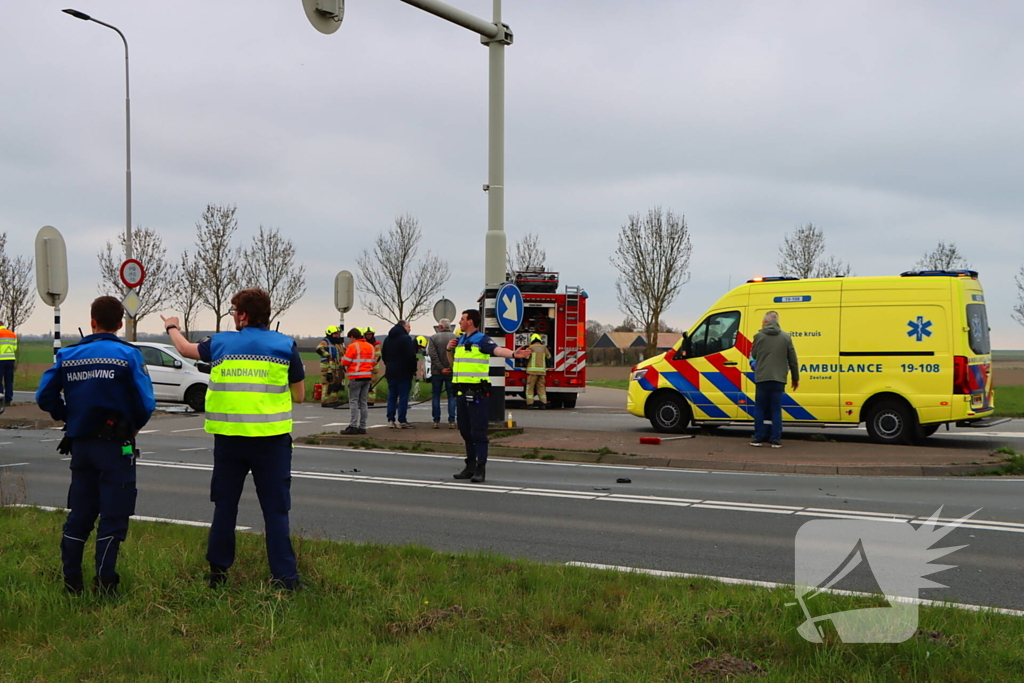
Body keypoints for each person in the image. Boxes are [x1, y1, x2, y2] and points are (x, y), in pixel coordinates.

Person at [161, 288, 305, 590]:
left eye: (233, 311)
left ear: (243, 315)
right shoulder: (285, 345)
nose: (233, 316)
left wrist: (172, 326)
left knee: (225, 507)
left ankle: (218, 575)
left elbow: (185, 350)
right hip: (272, 442)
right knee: (276, 511)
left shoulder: (220, 343)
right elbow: (300, 395)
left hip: (229, 441)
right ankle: (285, 579)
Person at [36, 296, 156, 595]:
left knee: (80, 515)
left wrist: (69, 416)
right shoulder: (128, 355)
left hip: (80, 445)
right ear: (120, 324)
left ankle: (71, 582)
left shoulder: (68, 355)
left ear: (92, 321)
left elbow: (44, 396)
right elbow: (146, 402)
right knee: (113, 515)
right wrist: (134, 426)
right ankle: (104, 583)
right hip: (116, 447)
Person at [447, 309, 530, 483]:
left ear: (470, 322)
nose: (460, 322)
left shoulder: (481, 339)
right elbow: (454, 365)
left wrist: (513, 354)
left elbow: (497, 350)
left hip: (476, 393)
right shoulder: (460, 340)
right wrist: (449, 350)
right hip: (461, 392)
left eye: (462, 319)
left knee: (478, 433)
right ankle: (469, 467)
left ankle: (480, 469)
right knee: (465, 431)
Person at [749, 310, 800, 448]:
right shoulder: (786, 337)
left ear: (765, 322)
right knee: (776, 409)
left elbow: (754, 355)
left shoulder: (758, 336)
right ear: (777, 322)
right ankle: (775, 439)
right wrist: (795, 378)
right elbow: (793, 360)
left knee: (760, 408)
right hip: (779, 379)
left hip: (762, 377)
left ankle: (758, 438)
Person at [381, 320, 418, 429]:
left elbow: (384, 355)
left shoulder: (387, 339)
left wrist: (389, 365)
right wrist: (413, 370)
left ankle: (391, 420)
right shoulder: (406, 339)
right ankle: (402, 420)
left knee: (392, 396)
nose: (410, 329)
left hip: (391, 372)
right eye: (409, 327)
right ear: (404, 327)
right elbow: (411, 356)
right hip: (404, 373)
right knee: (403, 397)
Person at [340, 328, 374, 435]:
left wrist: (342, 358)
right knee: (363, 402)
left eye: (350, 338)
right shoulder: (370, 346)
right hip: (367, 376)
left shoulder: (353, 346)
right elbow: (373, 362)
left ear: (352, 337)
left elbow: (345, 362)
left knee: (353, 401)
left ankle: (353, 426)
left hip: (356, 376)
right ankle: (363, 427)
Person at [427, 318, 456, 429]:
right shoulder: (455, 338)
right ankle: (452, 420)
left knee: (436, 396)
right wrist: (450, 367)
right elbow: (456, 355)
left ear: (440, 327)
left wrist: (441, 368)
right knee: (451, 396)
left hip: (436, 372)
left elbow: (432, 355)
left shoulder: (433, 338)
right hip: (451, 372)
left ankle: (436, 421)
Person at [316, 325, 345, 408]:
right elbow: (319, 349)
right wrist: (328, 355)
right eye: (335, 334)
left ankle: (334, 400)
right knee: (327, 384)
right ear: (330, 334)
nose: (337, 335)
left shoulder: (339, 343)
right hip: (328, 367)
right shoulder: (325, 342)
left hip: (338, 368)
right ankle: (325, 401)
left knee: (336, 384)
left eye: (338, 333)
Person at [525, 333, 552, 410]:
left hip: (532, 372)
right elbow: (549, 356)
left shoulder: (530, 348)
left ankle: (530, 404)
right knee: (541, 387)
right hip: (542, 372)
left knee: (530, 387)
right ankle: (543, 404)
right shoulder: (544, 348)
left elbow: (526, 357)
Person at [0, 320, 16, 414]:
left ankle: (0, 399)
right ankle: (8, 399)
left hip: (0, 359)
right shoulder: (12, 334)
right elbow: (14, 348)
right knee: (9, 380)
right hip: (11, 359)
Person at [363, 326, 381, 406]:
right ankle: (364, 399)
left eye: (370, 334)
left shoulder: (376, 345)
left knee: (372, 384)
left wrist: (371, 365)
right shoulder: (363, 344)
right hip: (364, 368)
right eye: (367, 334)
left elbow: (378, 356)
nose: (369, 336)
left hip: (373, 368)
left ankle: (371, 400)